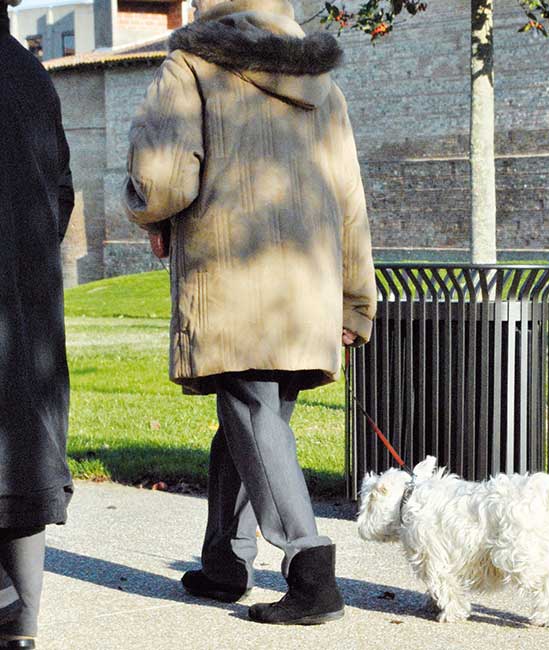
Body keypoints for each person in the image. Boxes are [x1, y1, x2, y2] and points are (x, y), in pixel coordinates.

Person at [123, 0, 376, 626]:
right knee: (253, 421)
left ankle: (310, 571)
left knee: (252, 413)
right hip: (306, 287)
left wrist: (150, 215)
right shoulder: (322, 85)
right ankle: (224, 563)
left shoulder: (191, 67)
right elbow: (350, 201)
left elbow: (162, 181)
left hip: (232, 273)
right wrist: (354, 301)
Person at [0, 0, 76, 646]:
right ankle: (20, 618)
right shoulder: (34, 76)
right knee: (24, 463)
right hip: (29, 302)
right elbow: (62, 191)